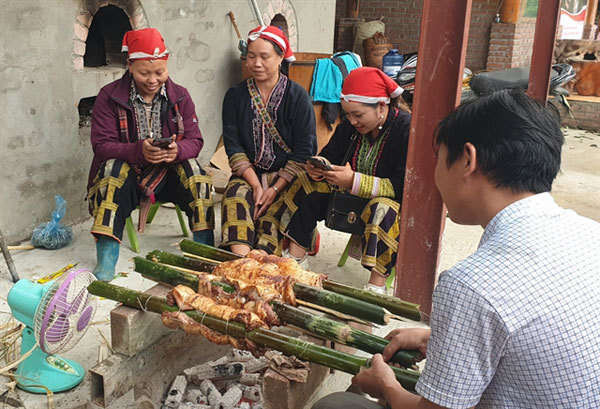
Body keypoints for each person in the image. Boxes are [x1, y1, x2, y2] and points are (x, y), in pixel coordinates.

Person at [312, 89, 600, 409]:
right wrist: (438, 338)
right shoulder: (592, 235)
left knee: (337, 403)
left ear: (467, 160)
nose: (435, 175)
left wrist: (387, 387)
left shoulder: (472, 284)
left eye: (438, 159)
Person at [261, 67, 410, 293]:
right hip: (347, 199)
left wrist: (354, 181)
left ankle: (376, 288)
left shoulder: (406, 130)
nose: (351, 121)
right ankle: (294, 260)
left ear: (381, 107)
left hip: (387, 205)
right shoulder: (349, 127)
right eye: (347, 114)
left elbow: (404, 186)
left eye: (358, 115)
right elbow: (329, 156)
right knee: (304, 181)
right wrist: (317, 166)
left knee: (383, 208)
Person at [87, 28, 214, 281]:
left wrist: (178, 151)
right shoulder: (109, 96)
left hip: (168, 175)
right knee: (112, 169)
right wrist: (138, 151)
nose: (153, 80)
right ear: (130, 66)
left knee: (196, 173)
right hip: (129, 178)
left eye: (160, 72)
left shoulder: (180, 96)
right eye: (145, 73)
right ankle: (107, 256)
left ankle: (204, 252)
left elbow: (195, 140)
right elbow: (101, 145)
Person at [221, 25, 317, 256]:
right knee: (235, 196)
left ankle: (266, 257)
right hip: (249, 174)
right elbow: (233, 145)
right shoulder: (235, 96)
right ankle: (242, 261)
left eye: (265, 57)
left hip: (288, 177)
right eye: (251, 56)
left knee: (274, 212)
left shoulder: (298, 97)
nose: (256, 63)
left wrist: (274, 188)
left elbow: (305, 150)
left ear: (280, 57)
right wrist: (255, 185)